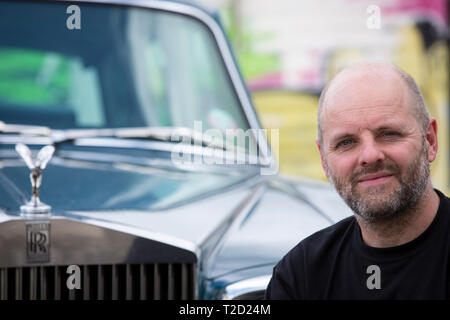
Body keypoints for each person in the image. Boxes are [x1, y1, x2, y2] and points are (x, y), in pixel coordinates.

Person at [265, 61, 450, 299]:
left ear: (430, 141)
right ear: (324, 159)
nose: (370, 156)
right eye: (346, 142)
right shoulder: (300, 276)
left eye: (389, 134)